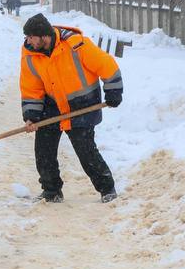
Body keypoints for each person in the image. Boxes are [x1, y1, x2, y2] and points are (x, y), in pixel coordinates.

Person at [19, 13, 120, 203]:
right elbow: (30, 86)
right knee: (43, 150)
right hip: (52, 104)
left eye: (31, 37)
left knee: (85, 150)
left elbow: (106, 65)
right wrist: (31, 116)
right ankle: (52, 191)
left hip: (83, 104)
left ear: (44, 36)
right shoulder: (30, 53)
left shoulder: (76, 44)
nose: (28, 41)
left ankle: (107, 188)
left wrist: (113, 91)